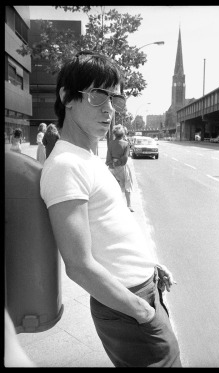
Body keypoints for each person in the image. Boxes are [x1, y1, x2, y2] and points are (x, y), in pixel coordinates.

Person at [40, 50, 181, 367]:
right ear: (68, 97)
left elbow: (110, 226)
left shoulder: (86, 157)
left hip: (142, 294)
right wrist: (141, 311)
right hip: (129, 307)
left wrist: (149, 266)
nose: (109, 109)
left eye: (115, 99)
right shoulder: (65, 165)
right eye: (97, 96)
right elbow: (78, 265)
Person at [106, 124, 134, 212]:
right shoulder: (126, 144)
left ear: (114, 134)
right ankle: (129, 205)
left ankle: (114, 205)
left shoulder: (110, 143)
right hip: (122, 167)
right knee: (127, 185)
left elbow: (108, 156)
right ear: (123, 134)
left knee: (113, 186)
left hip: (112, 167)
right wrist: (119, 162)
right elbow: (125, 158)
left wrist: (111, 163)